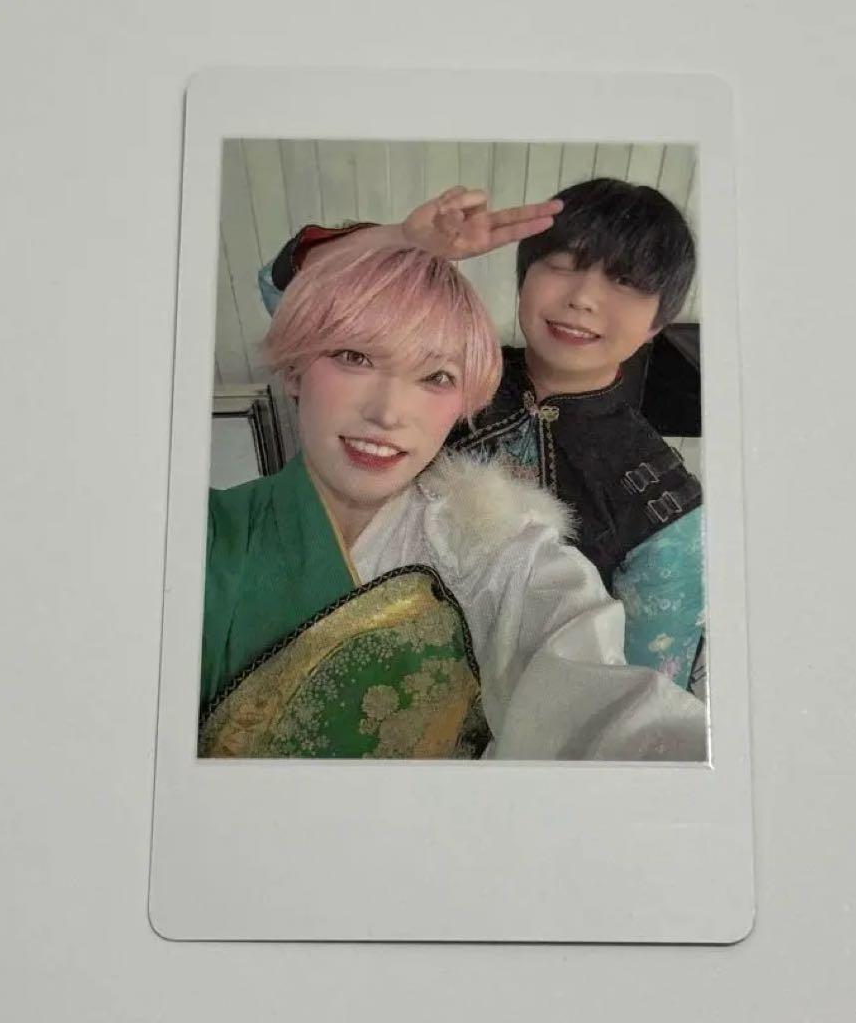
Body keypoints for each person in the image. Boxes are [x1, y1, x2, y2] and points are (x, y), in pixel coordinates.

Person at [201, 242, 705, 760]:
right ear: (294, 369)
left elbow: (609, 707)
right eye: (354, 357)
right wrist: (405, 239)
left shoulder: (498, 551)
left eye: (436, 377)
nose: (388, 413)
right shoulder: (201, 538)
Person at [257, 178, 706, 692]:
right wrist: (402, 240)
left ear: (657, 323)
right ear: (524, 275)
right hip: (306, 640)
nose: (583, 298)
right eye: (562, 264)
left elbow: (645, 698)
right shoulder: (441, 365)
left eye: (624, 281)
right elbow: (281, 290)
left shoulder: (668, 510)